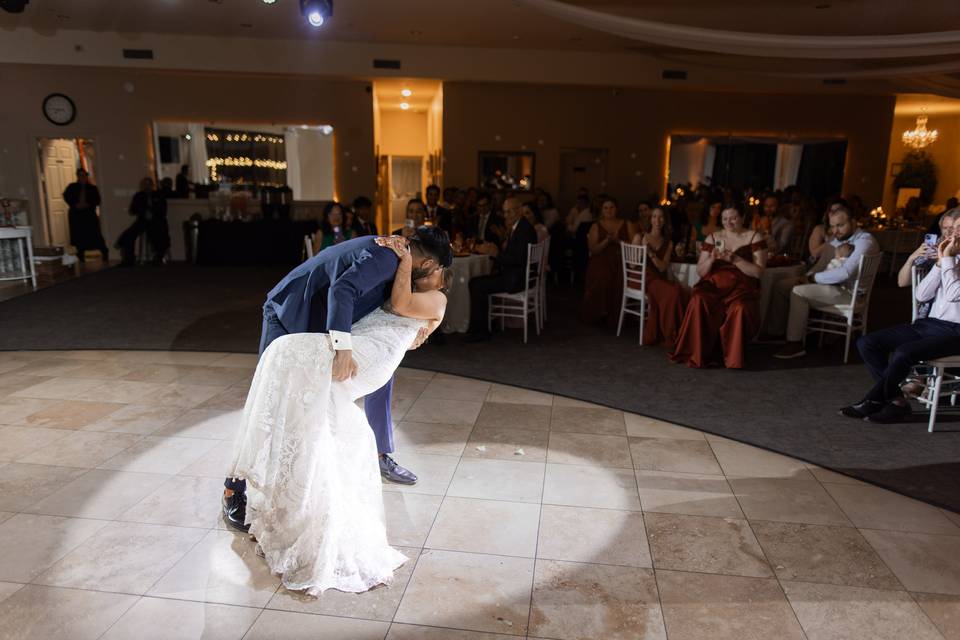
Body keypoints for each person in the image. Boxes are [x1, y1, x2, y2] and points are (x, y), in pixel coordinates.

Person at [227, 234, 449, 594]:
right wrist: (342, 345)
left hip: (337, 338)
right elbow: (344, 291)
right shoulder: (387, 257)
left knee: (298, 413)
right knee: (273, 403)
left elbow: (393, 309)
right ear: (430, 265)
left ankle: (296, 503)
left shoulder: (412, 278)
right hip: (289, 314)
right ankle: (238, 490)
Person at [840, 233, 960, 424]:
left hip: (956, 332)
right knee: (868, 343)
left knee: (903, 352)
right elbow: (921, 295)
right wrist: (940, 264)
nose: (953, 235)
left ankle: (875, 399)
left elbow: (954, 294)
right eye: (952, 230)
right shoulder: (950, 260)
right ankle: (896, 401)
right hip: (930, 324)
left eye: (958, 230)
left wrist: (946, 260)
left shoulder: (950, 260)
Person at [772, 205, 880, 358]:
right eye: (833, 226)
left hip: (850, 294)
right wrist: (805, 278)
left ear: (854, 223)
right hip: (831, 287)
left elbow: (845, 273)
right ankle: (778, 332)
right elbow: (820, 266)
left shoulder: (865, 242)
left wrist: (811, 279)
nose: (835, 231)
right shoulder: (836, 241)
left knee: (798, 292)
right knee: (782, 285)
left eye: (840, 225)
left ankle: (794, 343)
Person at [670, 206, 768, 369]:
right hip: (714, 285)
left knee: (740, 308)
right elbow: (701, 272)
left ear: (743, 217)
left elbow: (758, 273)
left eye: (733, 218)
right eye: (724, 219)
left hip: (741, 287)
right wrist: (711, 259)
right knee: (698, 299)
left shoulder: (754, 237)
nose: (728, 222)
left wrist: (735, 259)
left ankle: (733, 357)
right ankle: (699, 353)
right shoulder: (713, 237)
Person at [464, 196, 539, 342]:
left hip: (516, 279)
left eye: (509, 212)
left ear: (518, 211)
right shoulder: (520, 226)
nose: (506, 216)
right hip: (517, 275)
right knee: (478, 281)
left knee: (476, 284)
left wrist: (496, 253)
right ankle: (484, 325)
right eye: (504, 212)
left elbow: (518, 260)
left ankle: (481, 331)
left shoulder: (524, 230)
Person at [631, 207, 687, 346]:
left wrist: (651, 253)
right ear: (650, 219)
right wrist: (642, 251)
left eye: (661, 217)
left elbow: (662, 267)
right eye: (654, 216)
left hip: (657, 278)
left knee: (681, 292)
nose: (657, 220)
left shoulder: (668, 242)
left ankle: (681, 333)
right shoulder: (640, 236)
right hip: (641, 278)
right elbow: (632, 266)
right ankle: (670, 335)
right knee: (673, 292)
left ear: (665, 220)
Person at [580, 197, 632, 328]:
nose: (609, 210)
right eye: (605, 208)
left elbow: (634, 248)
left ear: (617, 209)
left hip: (622, 259)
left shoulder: (627, 224)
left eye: (611, 207)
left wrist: (617, 241)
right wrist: (607, 241)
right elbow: (593, 249)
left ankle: (615, 315)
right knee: (602, 275)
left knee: (618, 276)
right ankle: (599, 313)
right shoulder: (595, 226)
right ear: (601, 211)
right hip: (601, 259)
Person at [899, 208, 960, 320]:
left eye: (952, 228)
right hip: (929, 308)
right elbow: (902, 282)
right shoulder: (934, 247)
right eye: (944, 228)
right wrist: (911, 258)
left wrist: (947, 259)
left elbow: (953, 294)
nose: (948, 232)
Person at [116, 177, 169, 266]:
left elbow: (163, 210)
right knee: (129, 235)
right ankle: (129, 258)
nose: (147, 186)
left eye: (149, 184)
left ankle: (159, 256)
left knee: (159, 232)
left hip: (157, 221)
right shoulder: (139, 196)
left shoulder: (159, 195)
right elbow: (133, 210)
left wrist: (152, 213)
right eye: (145, 184)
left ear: (152, 185)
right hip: (142, 221)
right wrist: (144, 212)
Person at [63, 168, 109, 263]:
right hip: (77, 216)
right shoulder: (72, 187)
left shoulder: (92, 188)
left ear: (86, 176)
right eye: (80, 175)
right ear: (77, 176)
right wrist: (75, 204)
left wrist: (88, 204)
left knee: (95, 235)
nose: (82, 177)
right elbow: (67, 197)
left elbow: (97, 200)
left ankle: (104, 253)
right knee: (78, 237)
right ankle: (80, 256)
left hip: (89, 216)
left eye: (83, 175)